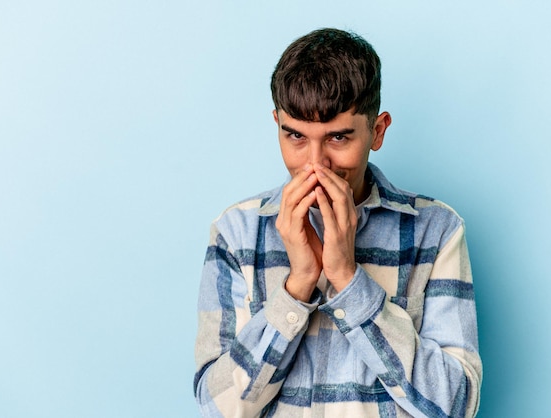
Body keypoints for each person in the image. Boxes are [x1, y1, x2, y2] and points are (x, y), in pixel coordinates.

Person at [193, 28, 482, 418]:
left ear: (377, 131)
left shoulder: (436, 231)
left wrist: (348, 279)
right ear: (276, 123)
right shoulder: (236, 233)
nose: (315, 164)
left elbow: (455, 405)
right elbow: (217, 407)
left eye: (338, 138)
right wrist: (297, 287)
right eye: (295, 135)